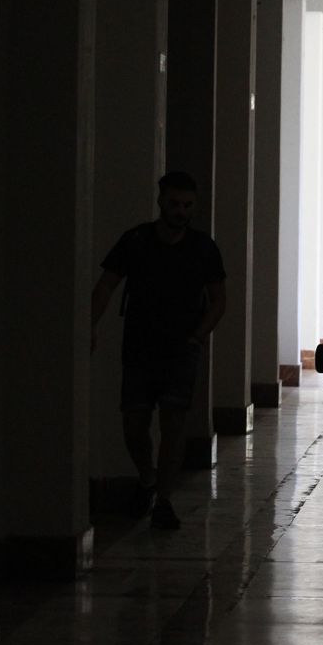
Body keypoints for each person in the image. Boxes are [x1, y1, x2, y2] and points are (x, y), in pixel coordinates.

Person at [90, 171, 227, 530]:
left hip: (181, 348)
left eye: (187, 206)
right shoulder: (136, 241)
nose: (181, 212)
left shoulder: (202, 247)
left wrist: (197, 335)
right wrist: (88, 324)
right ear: (160, 202)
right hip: (139, 345)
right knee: (133, 424)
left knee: (173, 423)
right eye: (174, 204)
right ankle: (147, 479)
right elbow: (105, 286)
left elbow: (218, 299)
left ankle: (164, 499)